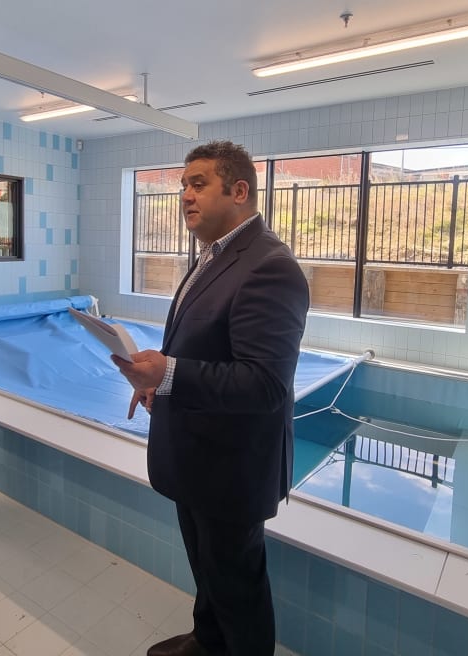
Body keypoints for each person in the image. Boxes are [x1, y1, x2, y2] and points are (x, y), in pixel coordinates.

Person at [113, 141, 310, 656]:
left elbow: (265, 383)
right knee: (208, 566)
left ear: (239, 190)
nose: (184, 195)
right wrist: (160, 384)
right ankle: (208, 639)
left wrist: (171, 372)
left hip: (231, 465)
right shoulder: (214, 257)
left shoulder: (270, 266)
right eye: (183, 185)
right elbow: (204, 349)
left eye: (198, 183)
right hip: (197, 452)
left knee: (236, 581)